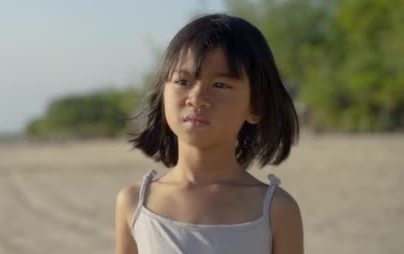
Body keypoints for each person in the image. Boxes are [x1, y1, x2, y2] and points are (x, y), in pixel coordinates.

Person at [115, 14, 303, 254]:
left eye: (221, 85)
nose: (197, 98)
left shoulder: (276, 210)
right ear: (163, 92)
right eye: (183, 81)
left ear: (255, 106)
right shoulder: (135, 203)